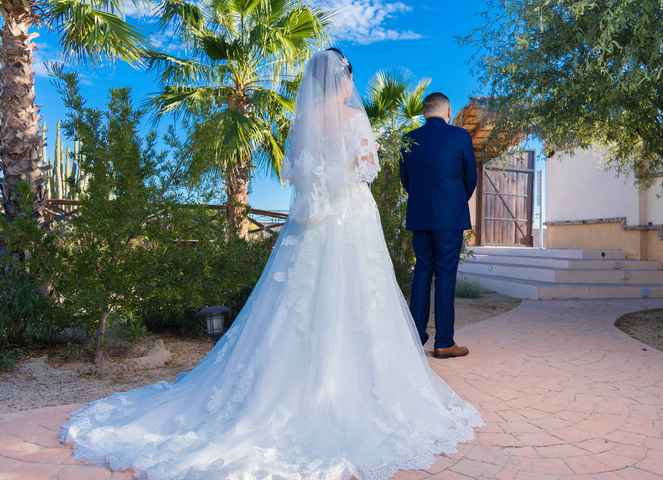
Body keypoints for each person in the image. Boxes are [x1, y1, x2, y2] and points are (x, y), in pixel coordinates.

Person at [58, 50, 483, 480]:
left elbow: (297, 171)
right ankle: (389, 365)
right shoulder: (355, 120)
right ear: (343, 79)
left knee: (295, 298)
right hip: (351, 218)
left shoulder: (305, 120)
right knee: (362, 293)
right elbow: (368, 169)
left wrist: (321, 188)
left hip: (310, 224)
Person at [400, 92, 478, 359]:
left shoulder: (409, 139)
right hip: (450, 216)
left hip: (420, 215)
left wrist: (424, 199)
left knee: (422, 271)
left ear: (424, 112)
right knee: (445, 274)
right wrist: (455, 200)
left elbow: (406, 180)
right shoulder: (460, 137)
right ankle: (444, 341)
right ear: (448, 111)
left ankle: (415, 337)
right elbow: (471, 177)